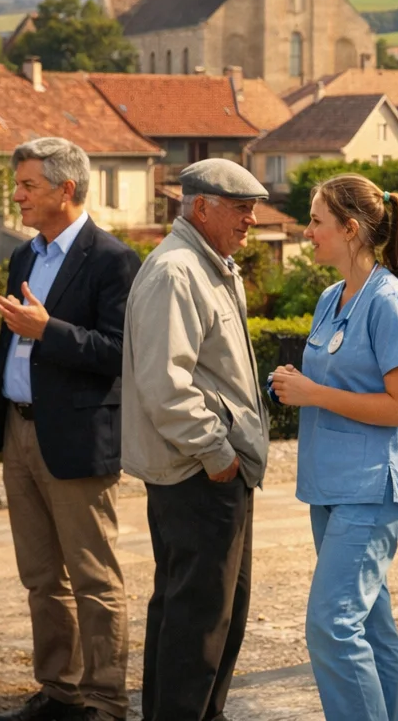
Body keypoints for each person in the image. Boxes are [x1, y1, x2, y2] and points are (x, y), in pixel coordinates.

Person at [0, 138, 141, 721]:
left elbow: (122, 352)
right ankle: (60, 690)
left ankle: (105, 699)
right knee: (41, 576)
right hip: (20, 434)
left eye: (26, 186)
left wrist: (50, 331)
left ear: (65, 190)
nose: (15, 196)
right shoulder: (24, 257)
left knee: (95, 577)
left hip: (77, 441)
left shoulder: (113, 259)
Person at [269, 175, 398, 721]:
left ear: (351, 229)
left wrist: (314, 392)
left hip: (374, 487)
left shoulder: (391, 303)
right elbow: (339, 381)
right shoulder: (330, 297)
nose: (306, 231)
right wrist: (295, 383)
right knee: (371, 628)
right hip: (330, 485)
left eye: (316, 221)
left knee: (332, 624)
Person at [121, 159, 271, 721]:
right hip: (198, 473)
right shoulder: (179, 271)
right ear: (201, 207)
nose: (252, 219)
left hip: (211, 470)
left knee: (212, 611)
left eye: (253, 207)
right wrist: (217, 453)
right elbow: (166, 385)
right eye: (240, 207)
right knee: (198, 619)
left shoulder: (208, 264)